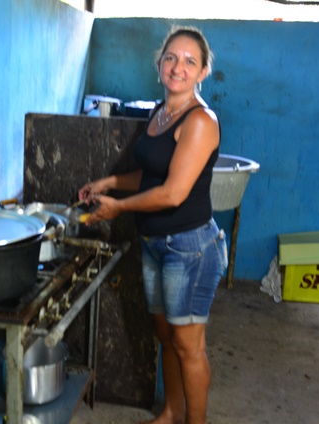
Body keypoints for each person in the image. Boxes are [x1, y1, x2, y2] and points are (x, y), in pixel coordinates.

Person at [78, 26, 227, 424]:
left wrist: (119, 206)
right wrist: (108, 182)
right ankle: (172, 411)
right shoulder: (161, 114)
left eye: (189, 61)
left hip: (190, 248)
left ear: (202, 72)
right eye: (171, 58)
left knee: (188, 346)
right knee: (166, 338)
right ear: (159, 62)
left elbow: (173, 193)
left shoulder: (200, 121)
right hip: (155, 243)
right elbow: (152, 177)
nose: (178, 67)